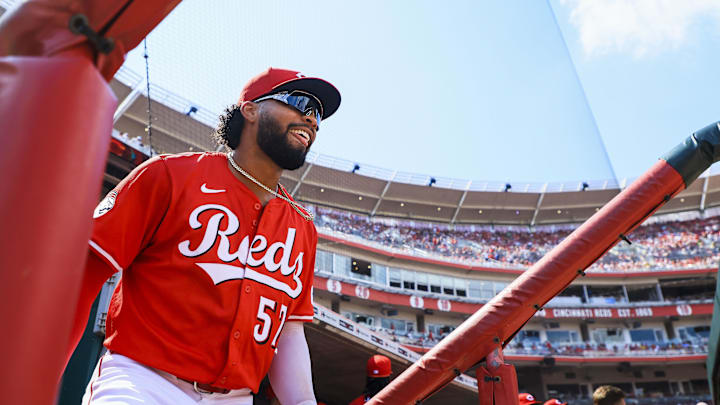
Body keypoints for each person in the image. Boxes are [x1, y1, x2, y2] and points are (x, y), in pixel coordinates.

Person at [79, 67, 341, 405]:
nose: (311, 119)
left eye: (318, 114)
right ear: (250, 108)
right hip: (143, 382)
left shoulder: (302, 226)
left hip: (235, 398)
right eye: (299, 102)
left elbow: (289, 329)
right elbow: (86, 273)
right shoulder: (170, 175)